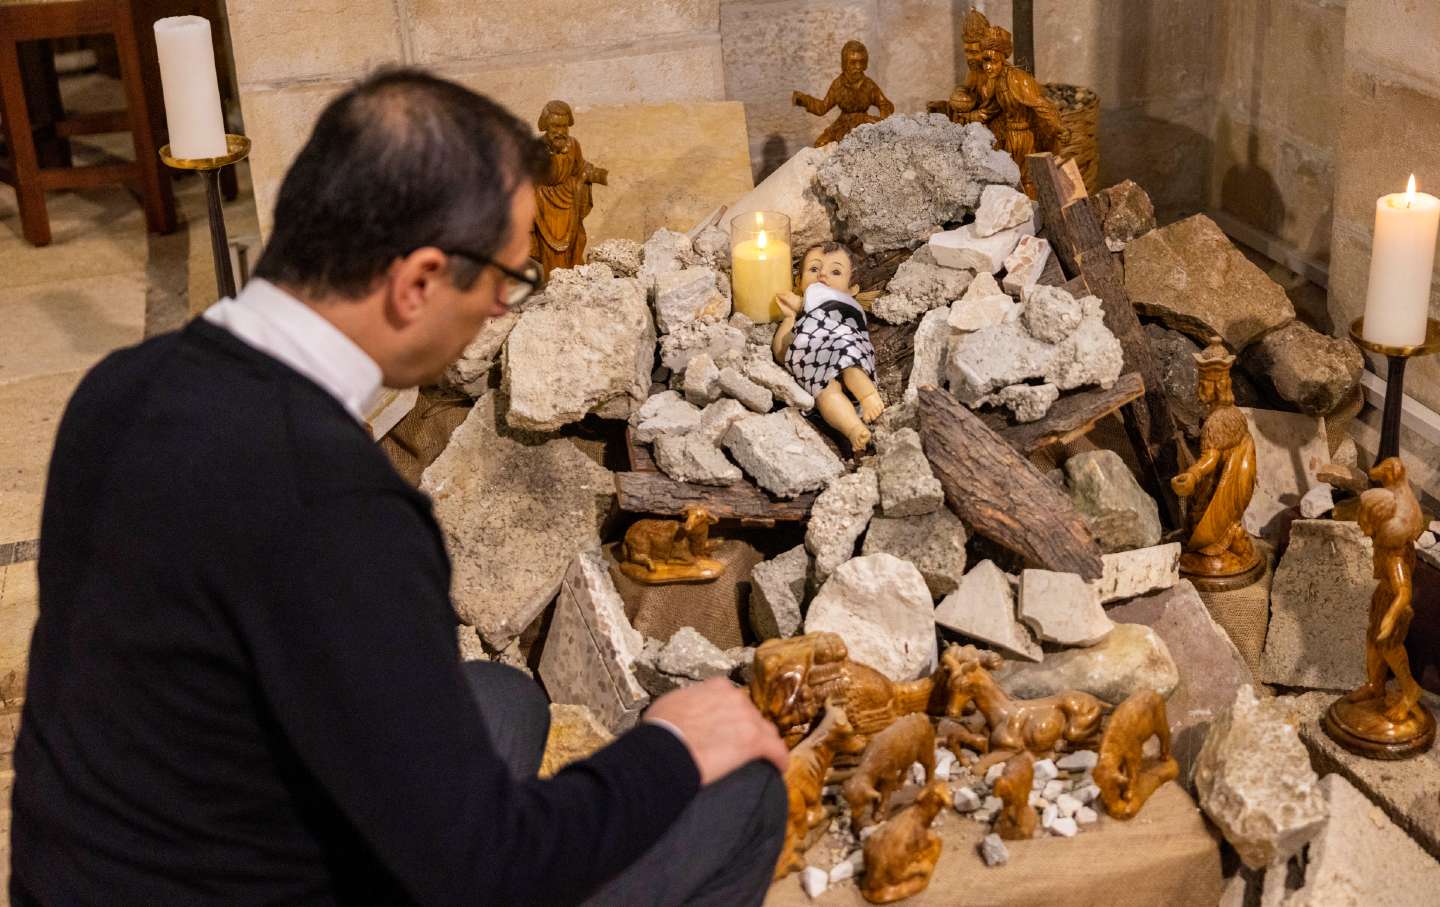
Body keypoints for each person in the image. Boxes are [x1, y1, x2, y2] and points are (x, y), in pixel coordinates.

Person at [10, 69, 787, 906]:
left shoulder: (120, 387)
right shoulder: (335, 504)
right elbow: (487, 868)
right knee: (738, 790)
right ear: (417, 280)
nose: (500, 309)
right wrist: (671, 745)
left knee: (502, 699)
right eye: (504, 279)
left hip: (93, 874)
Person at [771, 242, 883, 452]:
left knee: (849, 365)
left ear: (852, 289)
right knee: (825, 393)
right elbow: (781, 353)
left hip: (844, 345)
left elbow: (828, 304)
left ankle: (868, 395)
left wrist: (800, 305)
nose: (823, 275)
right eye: (814, 269)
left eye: (836, 271)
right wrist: (788, 319)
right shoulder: (802, 317)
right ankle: (853, 429)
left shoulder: (843, 302)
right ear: (799, 281)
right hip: (817, 364)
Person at [531, 99, 607, 278]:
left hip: (570, 203)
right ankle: (558, 290)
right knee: (553, 254)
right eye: (555, 126)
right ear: (545, 126)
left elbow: (579, 167)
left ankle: (573, 287)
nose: (560, 132)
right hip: (545, 209)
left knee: (577, 243)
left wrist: (598, 175)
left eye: (564, 126)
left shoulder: (573, 145)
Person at [792, 40, 894, 147]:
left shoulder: (869, 85)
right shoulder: (838, 85)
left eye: (861, 62)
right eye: (853, 62)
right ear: (845, 63)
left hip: (864, 122)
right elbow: (822, 108)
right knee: (820, 144)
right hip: (842, 124)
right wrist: (803, 100)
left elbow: (885, 104)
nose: (858, 67)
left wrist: (883, 122)